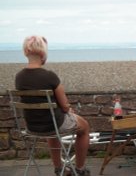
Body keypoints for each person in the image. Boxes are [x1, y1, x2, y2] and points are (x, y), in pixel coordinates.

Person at [15, 35, 90, 176]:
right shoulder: (50, 76)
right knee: (84, 127)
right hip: (53, 124)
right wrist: (69, 110)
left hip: (32, 127)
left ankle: (58, 168)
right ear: (43, 54)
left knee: (52, 130)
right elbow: (64, 105)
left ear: (25, 52)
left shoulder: (19, 77)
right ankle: (80, 169)